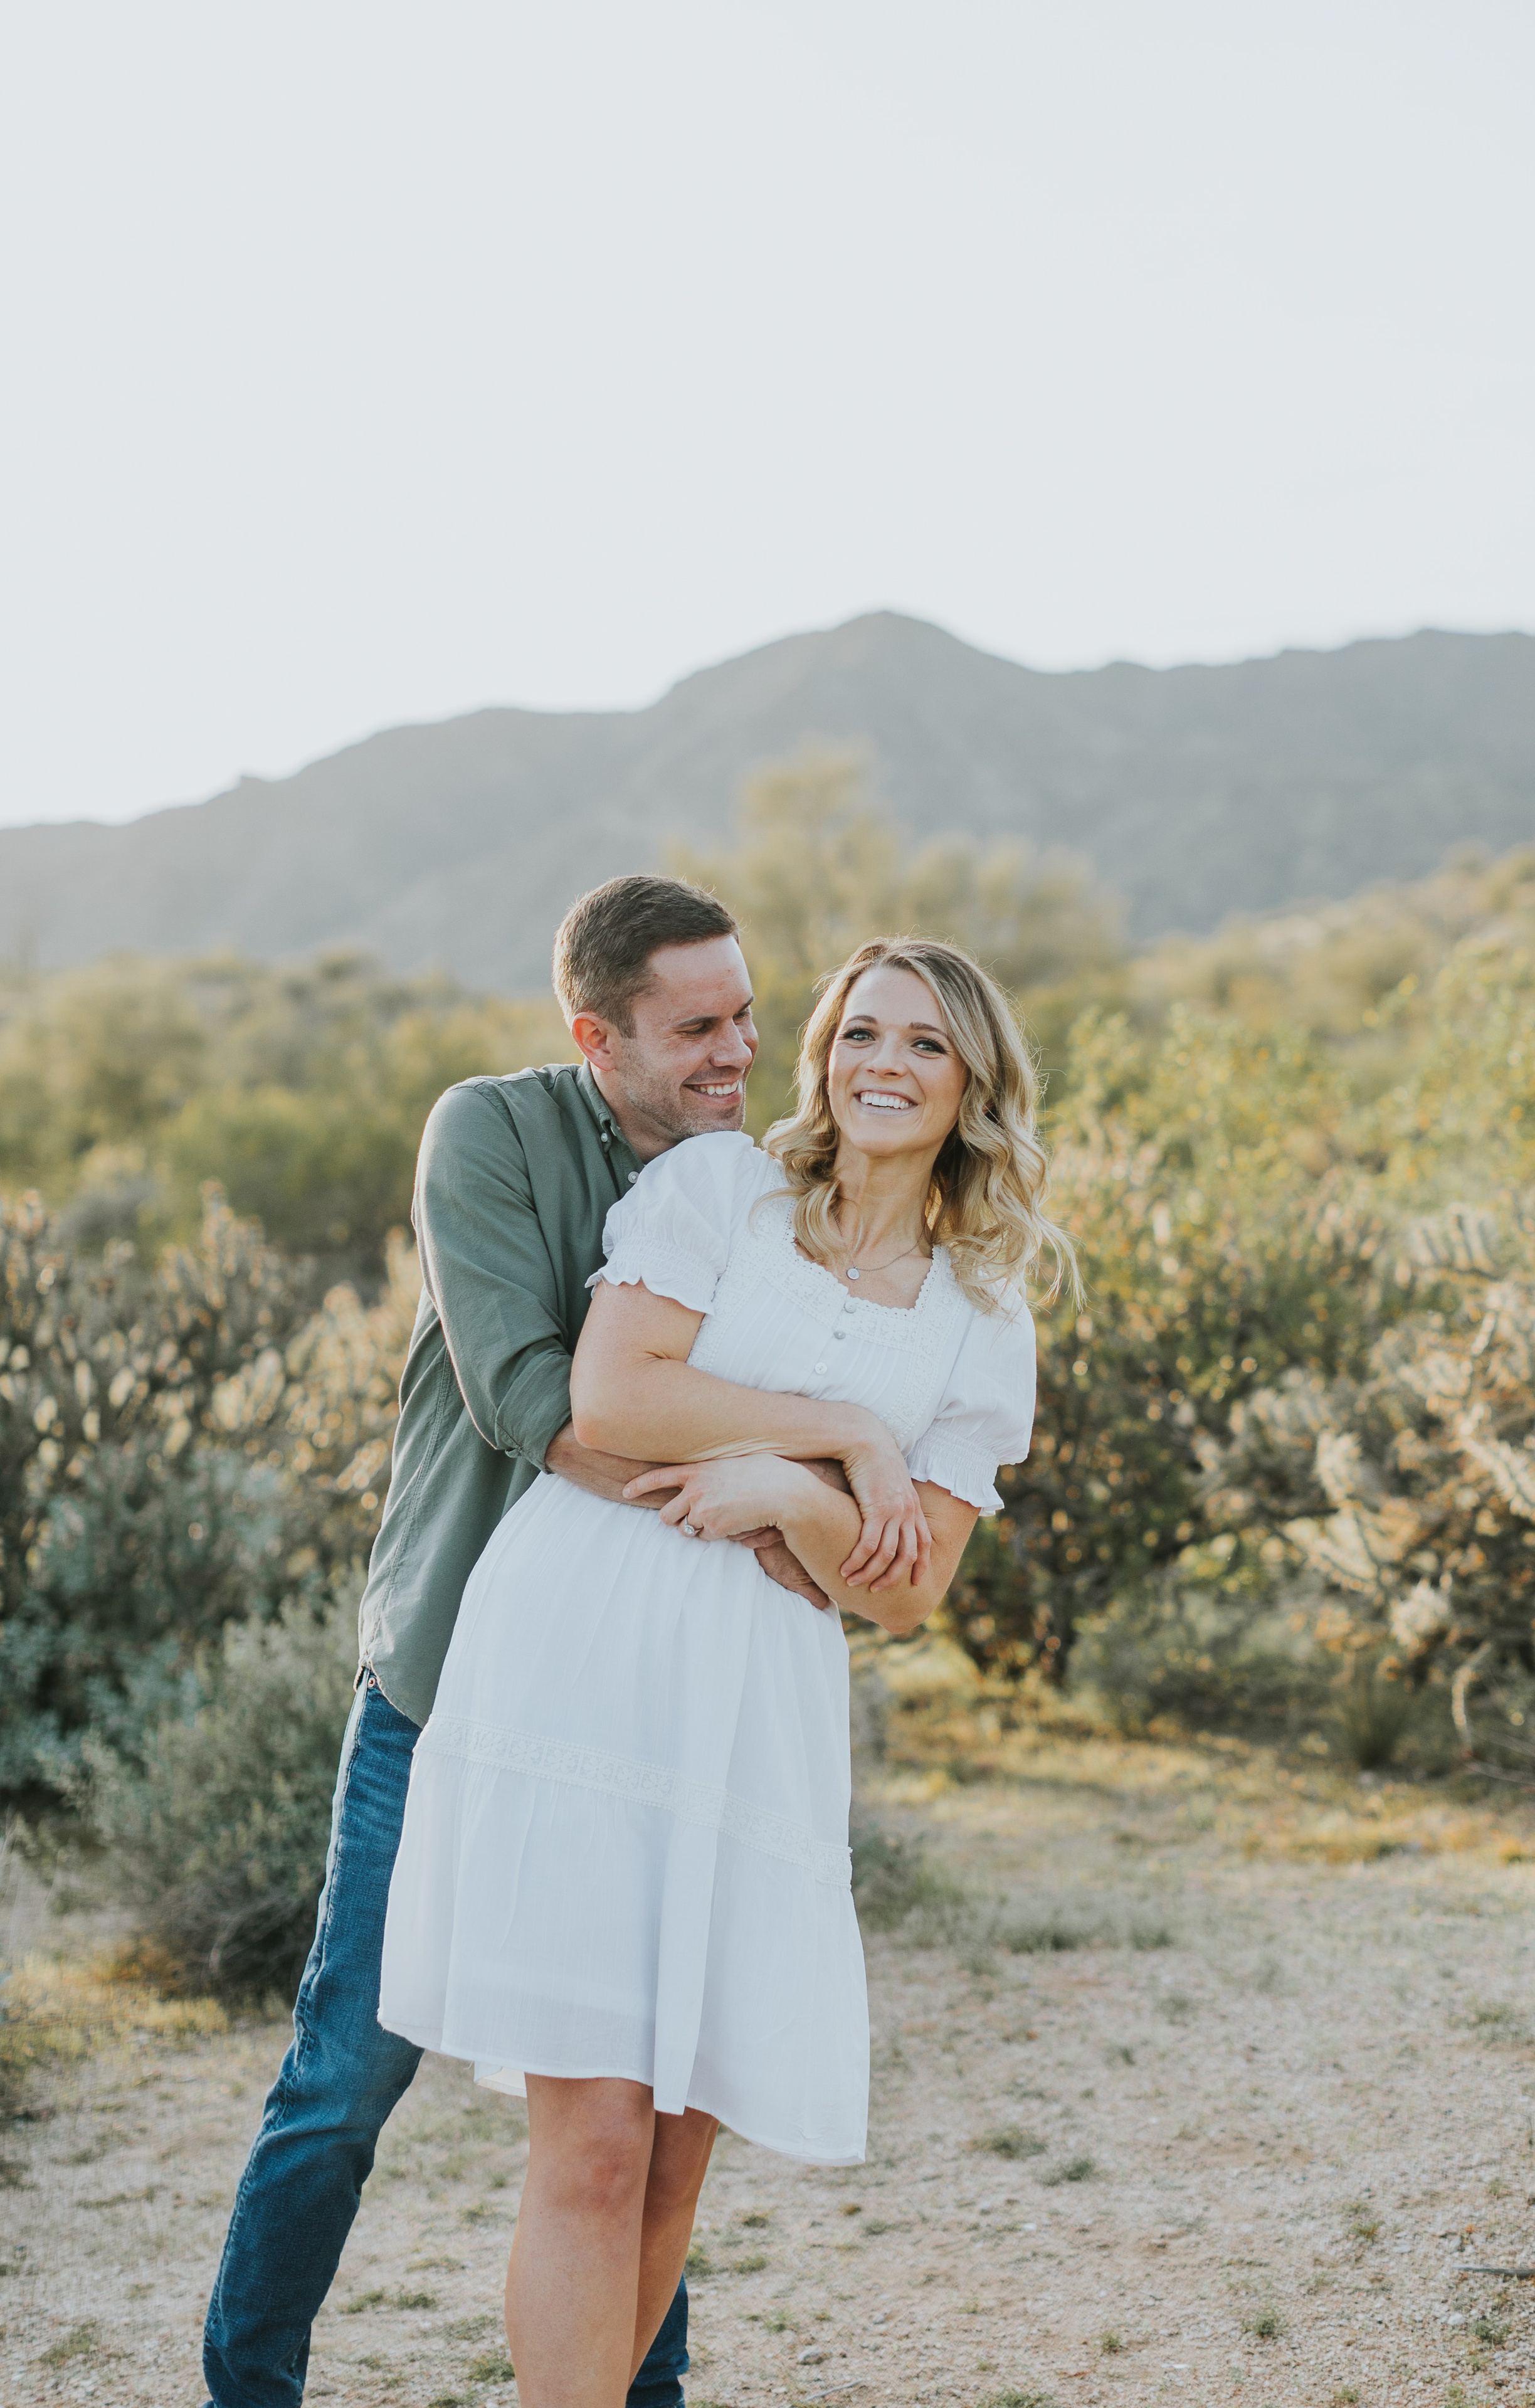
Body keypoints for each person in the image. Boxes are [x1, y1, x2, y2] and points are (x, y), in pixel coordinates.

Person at [378, 935, 1072, 2408]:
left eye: (923, 1046)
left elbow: (910, 1590)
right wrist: (849, 1433)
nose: (881, 1065)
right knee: (596, 2145)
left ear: (971, 1087)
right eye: (858, 1033)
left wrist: (788, 1495)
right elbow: (612, 1394)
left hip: (755, 1708)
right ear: (822, 1052)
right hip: (583, 1647)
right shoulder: (715, 1192)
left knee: (678, 2156)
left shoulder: (981, 1324)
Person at [203, 875, 833, 2408]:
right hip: (447, 1685)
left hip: (647, 1712)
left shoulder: (751, 1182)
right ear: (592, 1034)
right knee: (348, 2075)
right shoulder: (484, 1133)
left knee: (645, 2090)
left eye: (745, 1014)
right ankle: (247, 2389)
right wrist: (773, 1504)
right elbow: (530, 1401)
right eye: (696, 1027)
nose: (736, 1051)